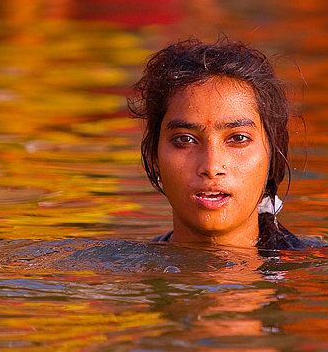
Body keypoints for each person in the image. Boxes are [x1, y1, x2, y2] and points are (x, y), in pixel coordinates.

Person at [128, 37, 314, 250]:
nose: (211, 166)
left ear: (274, 156)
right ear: (153, 158)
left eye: (238, 138)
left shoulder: (317, 273)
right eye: (185, 139)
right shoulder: (115, 271)